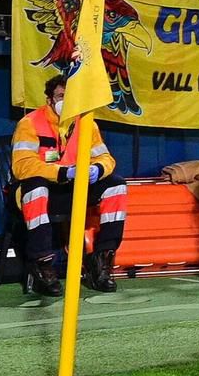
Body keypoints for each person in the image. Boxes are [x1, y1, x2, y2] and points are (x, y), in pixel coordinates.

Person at [10, 75, 127, 296]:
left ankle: (102, 262)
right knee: (36, 187)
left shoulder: (87, 123)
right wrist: (63, 172)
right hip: (38, 189)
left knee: (116, 186)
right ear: (49, 99)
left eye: (70, 96)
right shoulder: (30, 123)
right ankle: (41, 265)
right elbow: (22, 166)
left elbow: (106, 158)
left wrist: (98, 169)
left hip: (73, 189)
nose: (66, 100)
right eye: (61, 96)